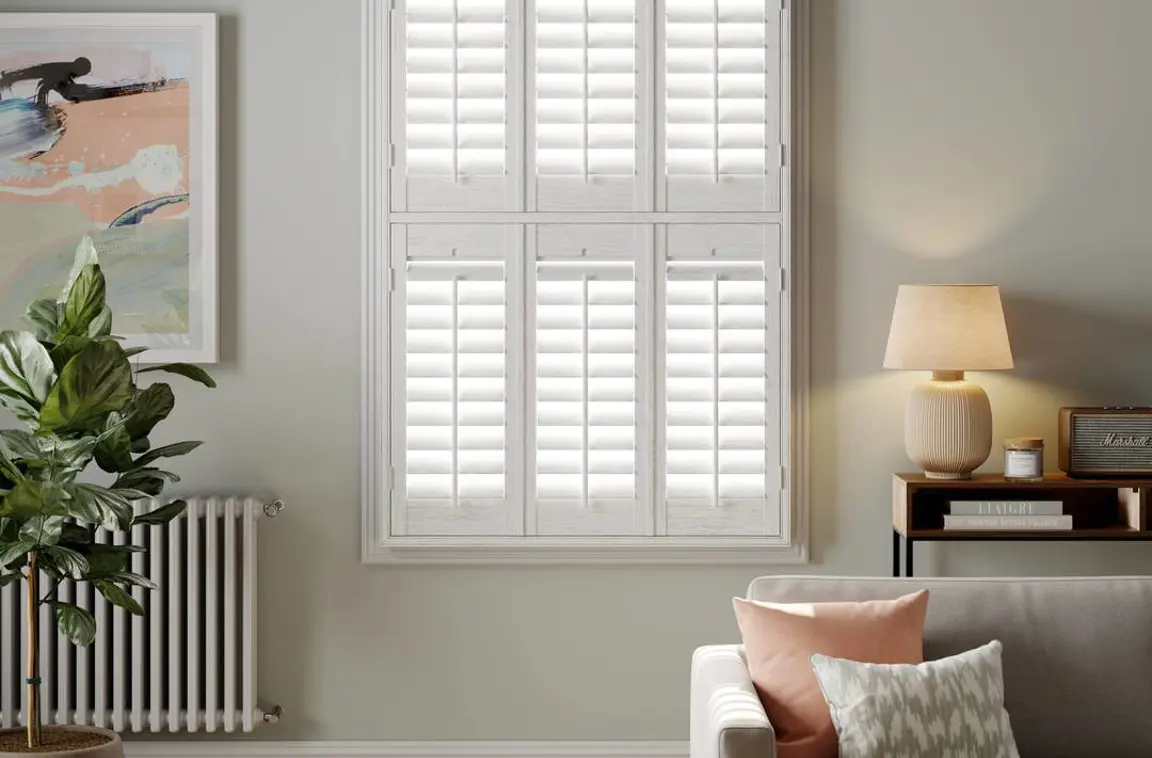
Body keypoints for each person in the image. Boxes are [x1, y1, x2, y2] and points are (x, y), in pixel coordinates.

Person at [0, 56, 93, 106]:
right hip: (37, 74)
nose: (79, 76)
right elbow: (63, 87)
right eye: (82, 73)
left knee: (18, 76)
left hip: (40, 76)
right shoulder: (64, 71)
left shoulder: (67, 70)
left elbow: (64, 87)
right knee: (18, 76)